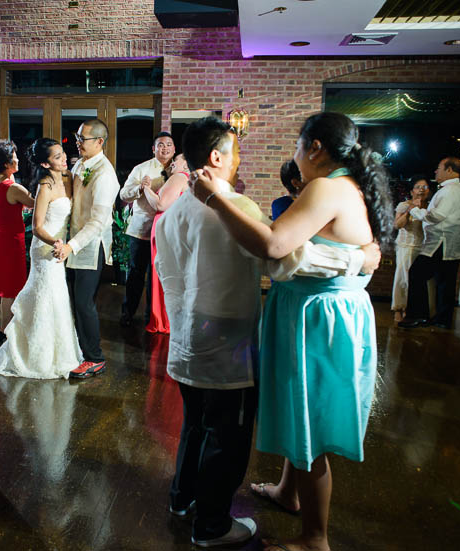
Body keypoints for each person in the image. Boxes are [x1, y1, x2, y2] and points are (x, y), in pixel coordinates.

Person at [161, 116, 384, 550]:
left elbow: (167, 272)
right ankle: (212, 525)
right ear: (217, 157)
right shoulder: (239, 209)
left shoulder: (175, 210)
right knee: (226, 437)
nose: (242, 163)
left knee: (194, 425)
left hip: (187, 337)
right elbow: (283, 259)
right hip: (229, 343)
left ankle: (182, 500)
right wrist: (358, 261)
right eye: (238, 153)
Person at [0, 138, 82, 379]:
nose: (64, 159)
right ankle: (29, 351)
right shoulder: (44, 186)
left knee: (57, 299)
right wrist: (57, 243)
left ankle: (58, 351)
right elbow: (37, 226)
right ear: (45, 163)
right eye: (57, 157)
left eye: (63, 154)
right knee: (40, 296)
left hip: (60, 248)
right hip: (45, 248)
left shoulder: (67, 178)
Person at [52, 119, 119, 379]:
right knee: (73, 300)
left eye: (83, 139)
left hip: (91, 246)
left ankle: (95, 358)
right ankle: (79, 349)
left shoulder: (105, 174)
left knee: (84, 302)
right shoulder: (81, 164)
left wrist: (72, 245)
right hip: (73, 242)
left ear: (99, 142)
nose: (77, 142)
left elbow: (98, 222)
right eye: (77, 137)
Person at [399, 157, 460, 330]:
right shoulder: (452, 189)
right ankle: (441, 319)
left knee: (417, 273)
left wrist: (414, 210)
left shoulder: (450, 191)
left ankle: (418, 315)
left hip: (441, 242)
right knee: (444, 281)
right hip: (444, 243)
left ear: (450, 170)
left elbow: (436, 216)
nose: (436, 171)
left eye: (439, 168)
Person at [118, 131, 175, 327]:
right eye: (160, 145)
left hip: (168, 233)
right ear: (153, 149)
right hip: (142, 230)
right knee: (136, 273)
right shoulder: (142, 169)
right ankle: (128, 313)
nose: (165, 148)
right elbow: (124, 194)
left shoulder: (179, 169)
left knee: (158, 276)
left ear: (174, 148)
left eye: (168, 144)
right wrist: (140, 189)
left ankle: (152, 317)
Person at [0, 140, 34, 340]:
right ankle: (6, 330)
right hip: (10, 241)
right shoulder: (13, 187)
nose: (18, 159)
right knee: (10, 288)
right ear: (6, 163)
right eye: (14, 157)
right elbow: (36, 203)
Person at [142, 152, 189, 334]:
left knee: (163, 273)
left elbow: (161, 205)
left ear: (185, 164)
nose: (172, 163)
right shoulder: (186, 179)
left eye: (176, 160)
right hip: (172, 229)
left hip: (165, 230)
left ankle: (163, 320)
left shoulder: (178, 177)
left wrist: (146, 188)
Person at [391, 176, 430, 323]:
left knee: (417, 281)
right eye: (418, 187)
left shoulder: (430, 208)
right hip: (406, 246)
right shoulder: (404, 205)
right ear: (412, 191)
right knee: (403, 278)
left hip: (423, 247)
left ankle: (412, 309)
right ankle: (398, 308)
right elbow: (397, 225)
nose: (421, 190)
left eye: (425, 187)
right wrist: (410, 210)